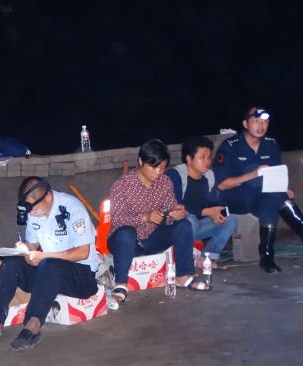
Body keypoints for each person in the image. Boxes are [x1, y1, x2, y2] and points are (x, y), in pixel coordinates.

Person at [0, 177, 100, 352]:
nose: (31, 213)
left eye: (33, 208)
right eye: (28, 208)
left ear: (47, 197)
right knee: (12, 262)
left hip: (81, 278)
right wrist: (25, 248)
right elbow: (33, 244)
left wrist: (43, 256)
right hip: (48, 275)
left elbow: (82, 252)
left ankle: (32, 326)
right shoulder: (34, 212)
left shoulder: (72, 208)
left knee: (49, 264)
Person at [107, 138, 210, 303]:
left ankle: (183, 276)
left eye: (162, 168)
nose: (158, 172)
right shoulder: (122, 185)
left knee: (184, 225)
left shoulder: (165, 182)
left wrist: (176, 213)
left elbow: (170, 208)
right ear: (141, 162)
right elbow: (118, 219)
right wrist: (146, 217)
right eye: (154, 167)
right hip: (125, 244)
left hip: (151, 238)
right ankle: (121, 284)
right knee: (126, 232)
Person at [213, 106, 303, 273]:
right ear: (245, 124)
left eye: (265, 122)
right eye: (256, 121)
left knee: (270, 201)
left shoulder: (271, 144)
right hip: (233, 198)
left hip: (262, 196)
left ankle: (267, 257)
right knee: (272, 193)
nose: (261, 126)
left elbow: (275, 173)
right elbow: (222, 185)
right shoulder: (230, 146)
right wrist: (254, 174)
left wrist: (283, 188)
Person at [167, 136, 237, 269]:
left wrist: (218, 210)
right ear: (189, 158)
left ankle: (205, 258)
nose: (207, 161)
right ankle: (183, 262)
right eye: (202, 157)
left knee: (230, 218)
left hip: (199, 226)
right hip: (177, 228)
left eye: (209, 157)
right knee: (190, 220)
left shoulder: (209, 176)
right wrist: (207, 212)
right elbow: (175, 206)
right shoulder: (175, 175)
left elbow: (211, 202)